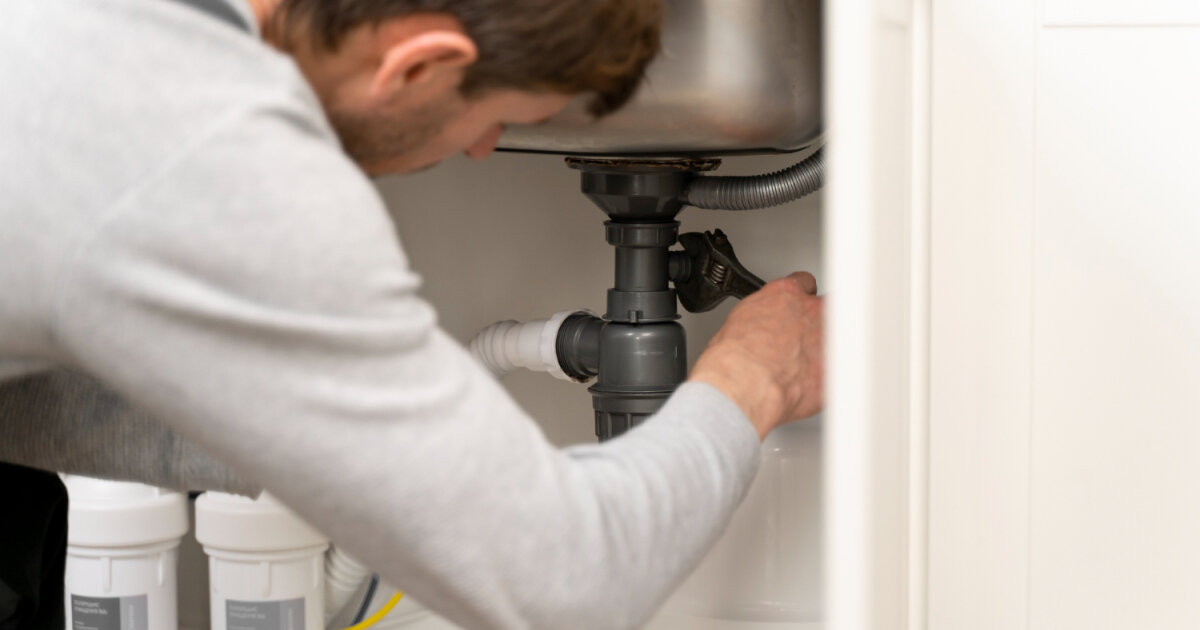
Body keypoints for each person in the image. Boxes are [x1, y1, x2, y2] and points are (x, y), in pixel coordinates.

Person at [0, 1, 824, 629]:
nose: (481, 146)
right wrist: (751, 379)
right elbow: (566, 577)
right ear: (420, 63)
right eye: (495, 117)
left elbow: (43, 399)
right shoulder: (229, 155)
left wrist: (362, 446)